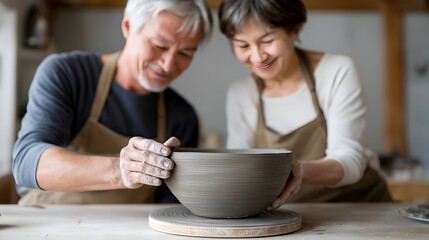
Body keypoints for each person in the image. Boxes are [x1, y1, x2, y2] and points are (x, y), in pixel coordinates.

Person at [12, 0, 213, 205]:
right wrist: (120, 170)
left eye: (185, 53)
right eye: (159, 45)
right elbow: (26, 163)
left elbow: (169, 209)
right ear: (128, 26)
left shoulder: (182, 117)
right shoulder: (68, 74)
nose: (168, 64)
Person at [218, 0, 392, 209]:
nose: (257, 56)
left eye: (267, 40)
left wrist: (299, 171)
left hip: (363, 208)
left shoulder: (337, 71)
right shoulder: (240, 94)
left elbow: (351, 162)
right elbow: (239, 169)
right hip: (294, 213)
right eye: (242, 45)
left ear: (294, 31)